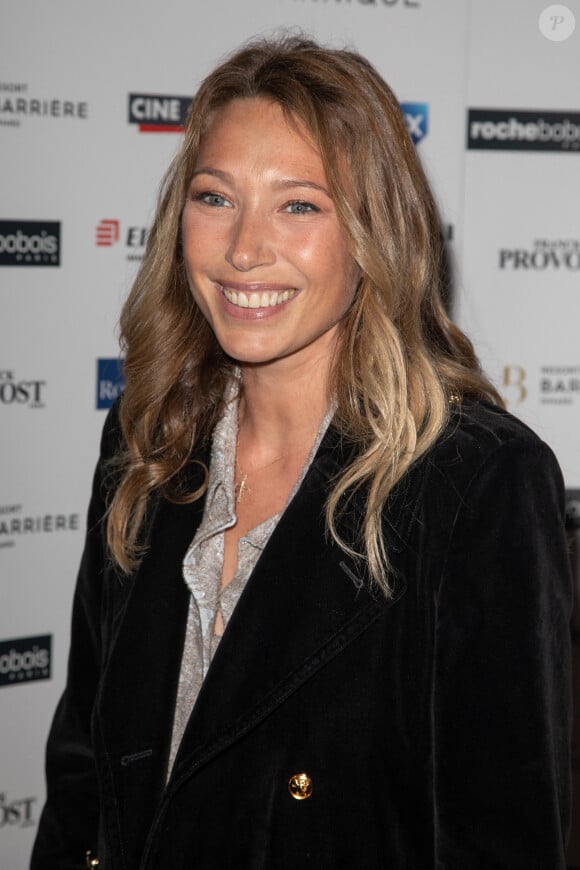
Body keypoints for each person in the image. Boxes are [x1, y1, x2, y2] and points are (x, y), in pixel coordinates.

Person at [31, 35, 572, 870]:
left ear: (372, 234)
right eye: (215, 198)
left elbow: (501, 839)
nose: (245, 249)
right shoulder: (145, 441)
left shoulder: (477, 486)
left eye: (299, 206)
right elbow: (81, 781)